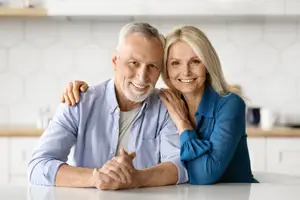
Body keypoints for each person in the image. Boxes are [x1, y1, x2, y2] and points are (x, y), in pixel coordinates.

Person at [63, 25, 258, 184]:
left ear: (207, 65)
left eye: (195, 61)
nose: (186, 72)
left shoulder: (230, 104)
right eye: (175, 63)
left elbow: (203, 174)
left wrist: (183, 124)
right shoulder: (165, 102)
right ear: (165, 69)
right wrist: (82, 90)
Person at [28, 22, 188, 190]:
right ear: (115, 61)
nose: (142, 77)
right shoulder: (79, 102)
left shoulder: (166, 107)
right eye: (133, 63)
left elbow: (180, 165)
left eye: (152, 66)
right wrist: (96, 177)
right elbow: (38, 166)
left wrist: (138, 178)